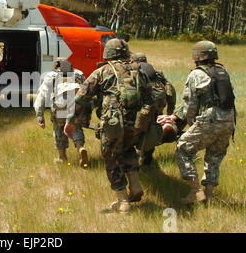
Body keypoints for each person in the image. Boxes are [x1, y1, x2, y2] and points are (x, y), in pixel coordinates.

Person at [64, 39, 154, 213]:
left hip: (113, 124)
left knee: (111, 157)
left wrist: (70, 122)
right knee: (128, 151)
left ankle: (123, 202)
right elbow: (151, 98)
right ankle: (135, 186)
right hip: (136, 123)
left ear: (108, 54)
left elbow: (81, 98)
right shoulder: (139, 71)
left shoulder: (102, 71)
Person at [168, 41, 236, 204]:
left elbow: (190, 105)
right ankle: (209, 195)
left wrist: (189, 123)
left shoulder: (196, 74)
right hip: (229, 119)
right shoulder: (222, 71)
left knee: (183, 148)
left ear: (196, 56)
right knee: (214, 155)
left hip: (211, 118)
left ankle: (195, 191)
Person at [34, 57, 89, 168]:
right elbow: (86, 91)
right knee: (76, 127)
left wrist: (40, 115)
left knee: (59, 129)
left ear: (56, 65)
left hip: (60, 108)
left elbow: (42, 96)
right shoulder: (79, 74)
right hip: (76, 107)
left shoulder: (51, 76)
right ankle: (80, 148)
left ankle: (62, 157)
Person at [131, 52, 177, 165]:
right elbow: (170, 90)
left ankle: (132, 160)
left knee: (136, 132)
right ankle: (147, 159)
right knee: (153, 131)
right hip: (158, 109)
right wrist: (170, 112)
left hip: (142, 108)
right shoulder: (158, 75)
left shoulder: (134, 72)